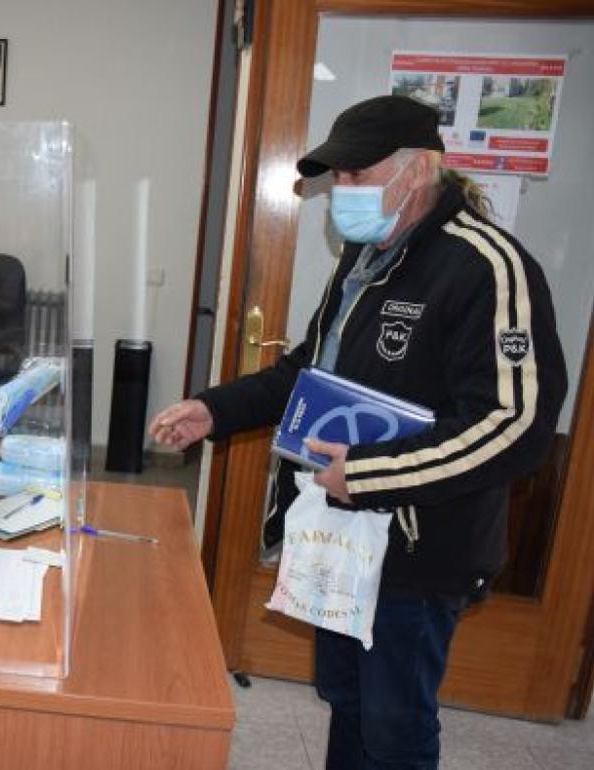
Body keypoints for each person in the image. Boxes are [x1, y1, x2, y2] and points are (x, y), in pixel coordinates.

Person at [150, 95, 567, 769]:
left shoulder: (486, 266)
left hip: (417, 545)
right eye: (335, 178)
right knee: (346, 697)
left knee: (395, 723)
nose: (341, 193)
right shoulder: (367, 254)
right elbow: (309, 372)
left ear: (420, 169)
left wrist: (371, 475)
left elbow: (513, 425)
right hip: (340, 531)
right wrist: (215, 410)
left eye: (355, 176)